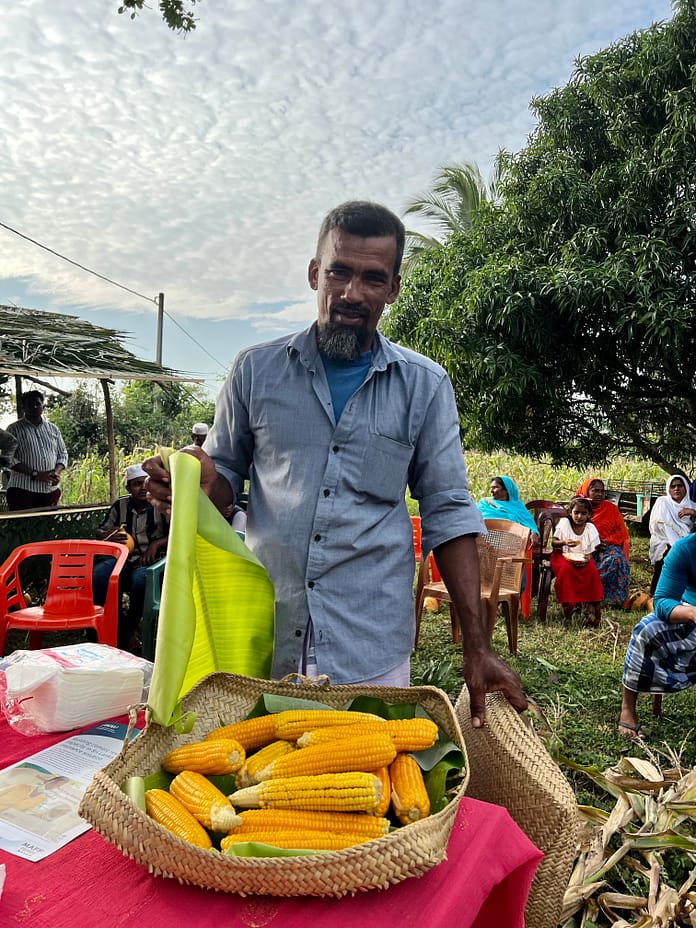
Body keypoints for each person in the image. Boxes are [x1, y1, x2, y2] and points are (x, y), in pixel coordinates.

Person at [142, 200, 526, 727]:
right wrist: (201, 485)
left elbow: (449, 512)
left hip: (370, 648)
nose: (352, 293)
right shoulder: (255, 370)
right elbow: (225, 474)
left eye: (373, 278)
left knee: (369, 776)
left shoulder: (424, 386)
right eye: (339, 272)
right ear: (314, 274)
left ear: (392, 289)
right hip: (266, 631)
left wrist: (477, 646)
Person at [618, 532, 696, 741]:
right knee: (646, 629)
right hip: (691, 616)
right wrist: (692, 613)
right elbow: (662, 601)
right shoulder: (685, 549)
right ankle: (627, 708)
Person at [93, 463, 169, 652]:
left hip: (150, 561)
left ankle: (130, 626)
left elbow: (177, 532)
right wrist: (107, 534)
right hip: (120, 560)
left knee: (141, 582)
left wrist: (156, 544)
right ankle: (121, 631)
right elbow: (101, 530)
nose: (142, 488)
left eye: (145, 483)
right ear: (128, 488)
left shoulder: (160, 505)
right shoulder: (120, 506)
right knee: (99, 577)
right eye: (136, 484)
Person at [476, 475, 539, 617]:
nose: (492, 491)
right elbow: (473, 520)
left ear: (506, 490)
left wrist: (534, 533)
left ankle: (504, 603)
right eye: (491, 488)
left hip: (511, 548)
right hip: (486, 547)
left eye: (496, 487)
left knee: (518, 579)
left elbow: (530, 525)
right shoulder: (484, 504)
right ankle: (490, 603)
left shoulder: (518, 507)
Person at [5, 391, 68, 511]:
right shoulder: (14, 429)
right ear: (23, 407)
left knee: (48, 522)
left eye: (37, 404)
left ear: (43, 406)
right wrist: (36, 474)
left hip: (50, 490)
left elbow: (63, 454)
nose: (34, 407)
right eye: (29, 405)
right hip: (22, 491)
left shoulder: (53, 429)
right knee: (23, 523)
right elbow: (8, 458)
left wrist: (56, 472)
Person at [550, 496, 603, 626]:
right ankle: (569, 604)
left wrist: (589, 556)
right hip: (562, 556)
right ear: (570, 512)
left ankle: (591, 604)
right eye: (576, 513)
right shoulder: (564, 523)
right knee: (566, 570)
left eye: (583, 513)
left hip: (583, 557)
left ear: (589, 515)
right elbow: (554, 543)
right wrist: (564, 542)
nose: (579, 516)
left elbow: (594, 547)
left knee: (591, 570)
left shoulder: (590, 528)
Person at [576, 477, 630, 606]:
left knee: (616, 559)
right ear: (586, 491)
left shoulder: (611, 509)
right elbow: (572, 531)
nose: (599, 494)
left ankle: (612, 599)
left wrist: (605, 541)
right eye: (595, 490)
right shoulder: (578, 509)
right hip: (582, 547)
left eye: (602, 491)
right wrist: (592, 543)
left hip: (607, 546)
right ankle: (586, 594)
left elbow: (621, 532)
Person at [648, 474, 696, 595]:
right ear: (668, 489)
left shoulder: (692, 505)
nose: (676, 489)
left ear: (686, 487)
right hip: (664, 540)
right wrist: (675, 542)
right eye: (673, 486)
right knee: (667, 557)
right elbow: (658, 526)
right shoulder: (663, 502)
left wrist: (692, 512)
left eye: (680, 486)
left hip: (688, 541)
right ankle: (656, 594)